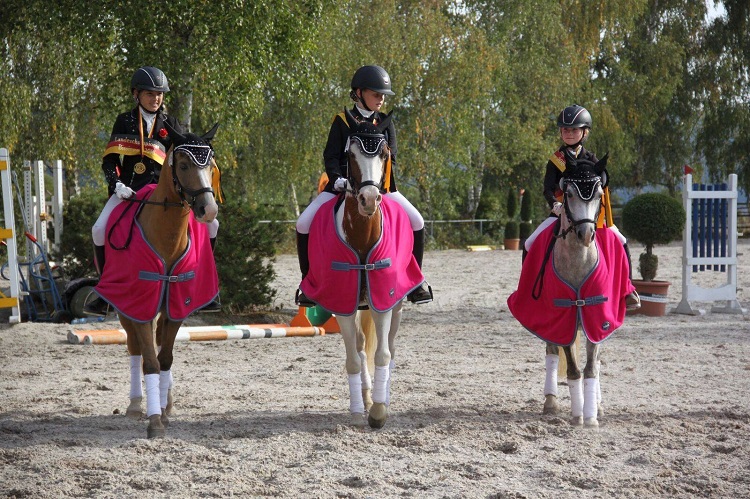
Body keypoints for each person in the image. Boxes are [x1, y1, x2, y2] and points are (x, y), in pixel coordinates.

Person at [84, 66, 221, 315]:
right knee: (98, 229)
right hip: (129, 191)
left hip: (164, 192)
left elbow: (186, 154)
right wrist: (116, 185)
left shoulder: (171, 124)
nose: (156, 98)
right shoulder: (124, 120)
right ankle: (104, 293)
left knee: (213, 225)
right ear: (136, 94)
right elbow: (110, 160)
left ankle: (201, 284)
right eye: (150, 93)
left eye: (160, 94)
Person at [294, 64, 433, 306]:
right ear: (359, 93)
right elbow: (331, 155)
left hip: (381, 188)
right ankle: (307, 284)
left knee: (417, 221)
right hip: (342, 186)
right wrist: (337, 179)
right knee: (303, 223)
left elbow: (393, 158)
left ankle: (415, 283)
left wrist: (380, 187)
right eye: (376, 94)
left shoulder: (385, 122)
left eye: (383, 96)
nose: (380, 99)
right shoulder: (341, 121)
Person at [523, 104, 640, 310]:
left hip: (591, 214)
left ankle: (627, 291)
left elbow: (604, 180)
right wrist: (555, 204)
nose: (569, 134)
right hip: (561, 212)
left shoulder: (591, 158)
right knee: (530, 243)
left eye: (574, 129)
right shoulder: (556, 160)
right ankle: (528, 290)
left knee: (621, 241)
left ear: (584, 132)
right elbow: (547, 188)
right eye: (565, 130)